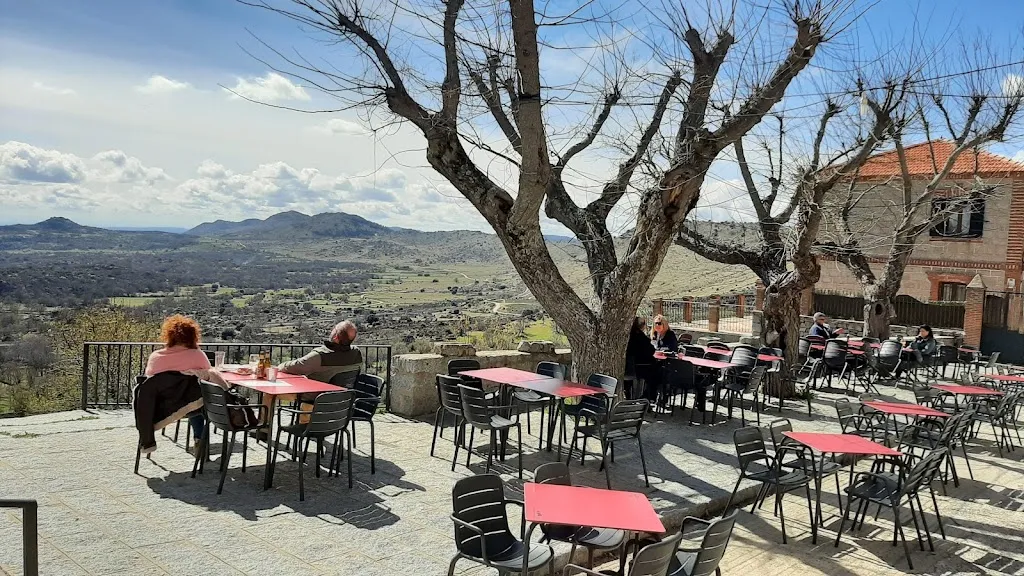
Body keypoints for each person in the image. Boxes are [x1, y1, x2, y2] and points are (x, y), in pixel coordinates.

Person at [144, 314, 227, 452]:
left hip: (161, 408)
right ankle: (199, 440)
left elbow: (149, 380)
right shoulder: (196, 355)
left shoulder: (155, 357)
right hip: (188, 407)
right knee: (197, 401)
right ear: (193, 336)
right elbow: (209, 375)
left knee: (191, 400)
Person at [278, 320, 363, 382]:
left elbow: (294, 367)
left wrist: (279, 367)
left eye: (334, 329)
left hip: (316, 397)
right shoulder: (356, 353)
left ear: (336, 337)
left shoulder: (320, 356)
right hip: (345, 398)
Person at [626, 317, 657, 400]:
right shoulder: (641, 337)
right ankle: (649, 396)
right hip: (639, 368)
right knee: (657, 372)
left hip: (627, 367)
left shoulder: (627, 336)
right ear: (643, 326)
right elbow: (651, 351)